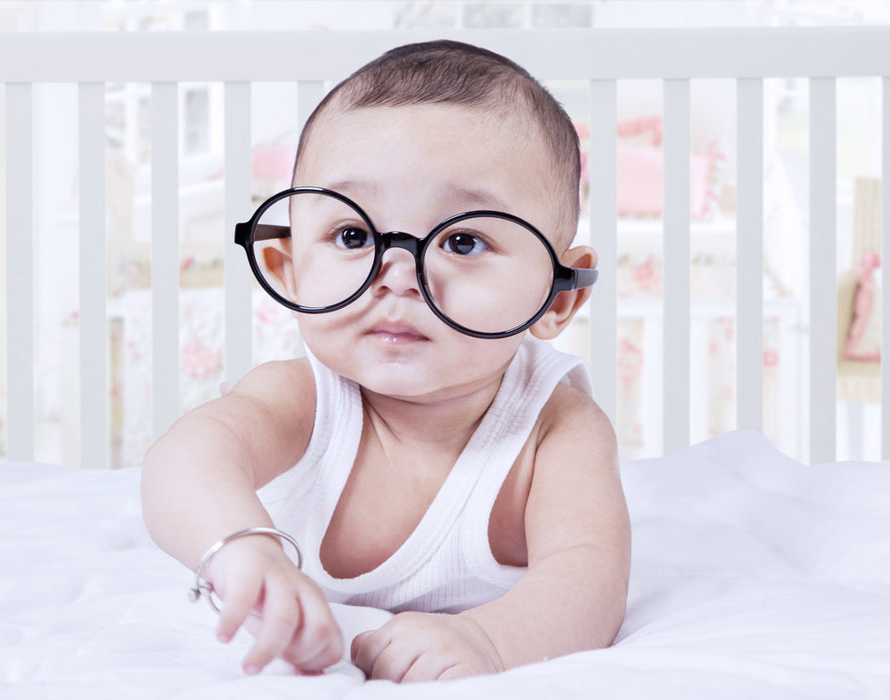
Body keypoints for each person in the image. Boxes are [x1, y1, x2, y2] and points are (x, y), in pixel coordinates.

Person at [141, 39, 630, 683]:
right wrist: (240, 548)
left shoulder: (555, 433)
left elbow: (588, 579)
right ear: (287, 266)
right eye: (354, 236)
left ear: (557, 294)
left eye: (463, 240)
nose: (399, 275)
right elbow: (185, 459)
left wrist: (488, 640)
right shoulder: (304, 399)